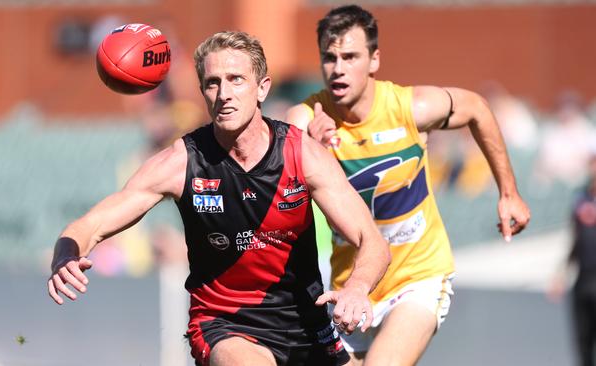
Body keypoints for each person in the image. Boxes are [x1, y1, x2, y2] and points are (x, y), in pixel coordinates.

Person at [47, 31, 391, 366]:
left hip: (306, 323)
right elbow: (94, 224)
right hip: (226, 324)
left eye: (236, 79)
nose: (224, 93)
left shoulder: (302, 155)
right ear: (203, 92)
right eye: (213, 83)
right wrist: (67, 251)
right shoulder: (183, 162)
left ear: (262, 88)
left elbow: (371, 240)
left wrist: (357, 288)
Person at [286, 5, 531, 365]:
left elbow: (477, 108)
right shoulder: (305, 120)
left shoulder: (411, 107)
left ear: (374, 60)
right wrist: (311, 152)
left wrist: (508, 193)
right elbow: (276, 192)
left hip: (417, 277)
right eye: (329, 57)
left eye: (351, 57)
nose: (338, 69)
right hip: (351, 286)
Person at [548, 154, 596, 366]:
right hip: (583, 280)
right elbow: (575, 240)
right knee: (582, 340)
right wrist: (561, 273)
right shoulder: (580, 199)